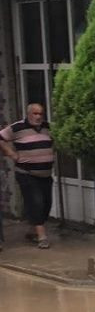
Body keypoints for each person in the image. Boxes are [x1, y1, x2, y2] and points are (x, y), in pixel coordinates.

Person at [0, 103, 55, 249]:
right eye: (35, 114)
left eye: (40, 114)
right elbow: (1, 138)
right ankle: (42, 236)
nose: (38, 117)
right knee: (36, 202)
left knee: (47, 204)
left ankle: (32, 232)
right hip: (26, 173)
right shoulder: (17, 127)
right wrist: (11, 154)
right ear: (28, 114)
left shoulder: (47, 127)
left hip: (46, 173)